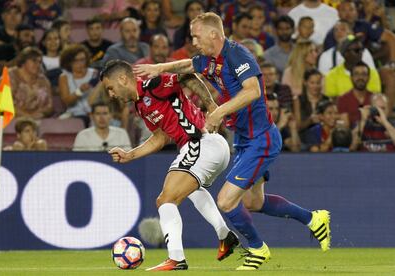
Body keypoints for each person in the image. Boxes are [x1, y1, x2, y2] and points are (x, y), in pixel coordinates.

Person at [134, 12, 331, 270]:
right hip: (245, 139)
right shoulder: (209, 59)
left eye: (197, 36)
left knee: (227, 201)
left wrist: (218, 111)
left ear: (213, 34)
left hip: (261, 139)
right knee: (253, 203)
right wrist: (158, 68)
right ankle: (313, 219)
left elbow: (253, 91)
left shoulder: (238, 55)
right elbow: (187, 66)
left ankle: (258, 249)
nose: (194, 41)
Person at [101, 60, 238, 271]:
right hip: (210, 147)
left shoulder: (153, 85)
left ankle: (176, 259)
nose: (111, 94)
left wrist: (212, 106)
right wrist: (130, 155)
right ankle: (225, 235)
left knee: (165, 200)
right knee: (193, 191)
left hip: (201, 142)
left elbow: (187, 76)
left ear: (122, 78)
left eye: (110, 88)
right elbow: (160, 138)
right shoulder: (141, 105)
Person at [337, 61, 374, 128]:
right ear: (351, 77)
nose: (360, 77)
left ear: (368, 78)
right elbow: (345, 127)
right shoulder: (343, 99)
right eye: (356, 74)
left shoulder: (374, 98)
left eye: (364, 74)